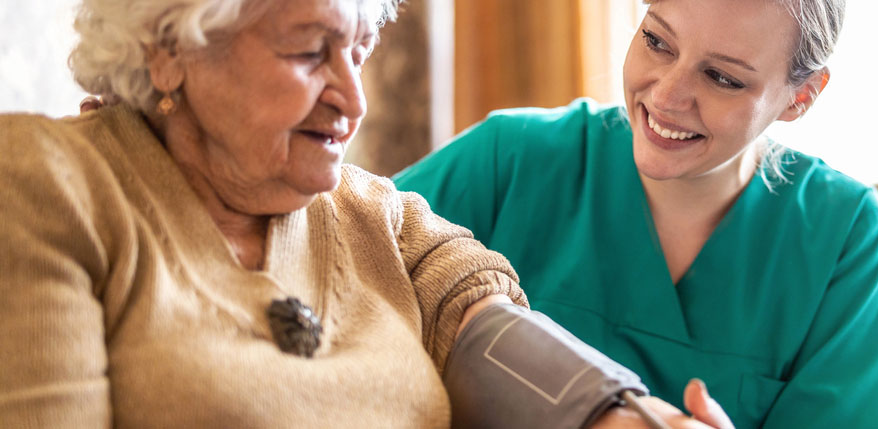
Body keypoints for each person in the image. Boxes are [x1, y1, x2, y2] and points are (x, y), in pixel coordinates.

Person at [0, 0, 715, 427]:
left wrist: (634, 417)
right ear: (169, 49)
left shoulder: (379, 217)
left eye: (360, 52)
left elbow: (495, 334)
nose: (355, 98)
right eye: (311, 52)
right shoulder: (50, 186)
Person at [392, 0, 878, 427]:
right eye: (657, 42)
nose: (666, 96)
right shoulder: (510, 160)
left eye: (722, 78)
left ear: (801, 96)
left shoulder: (844, 239)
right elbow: (339, 245)